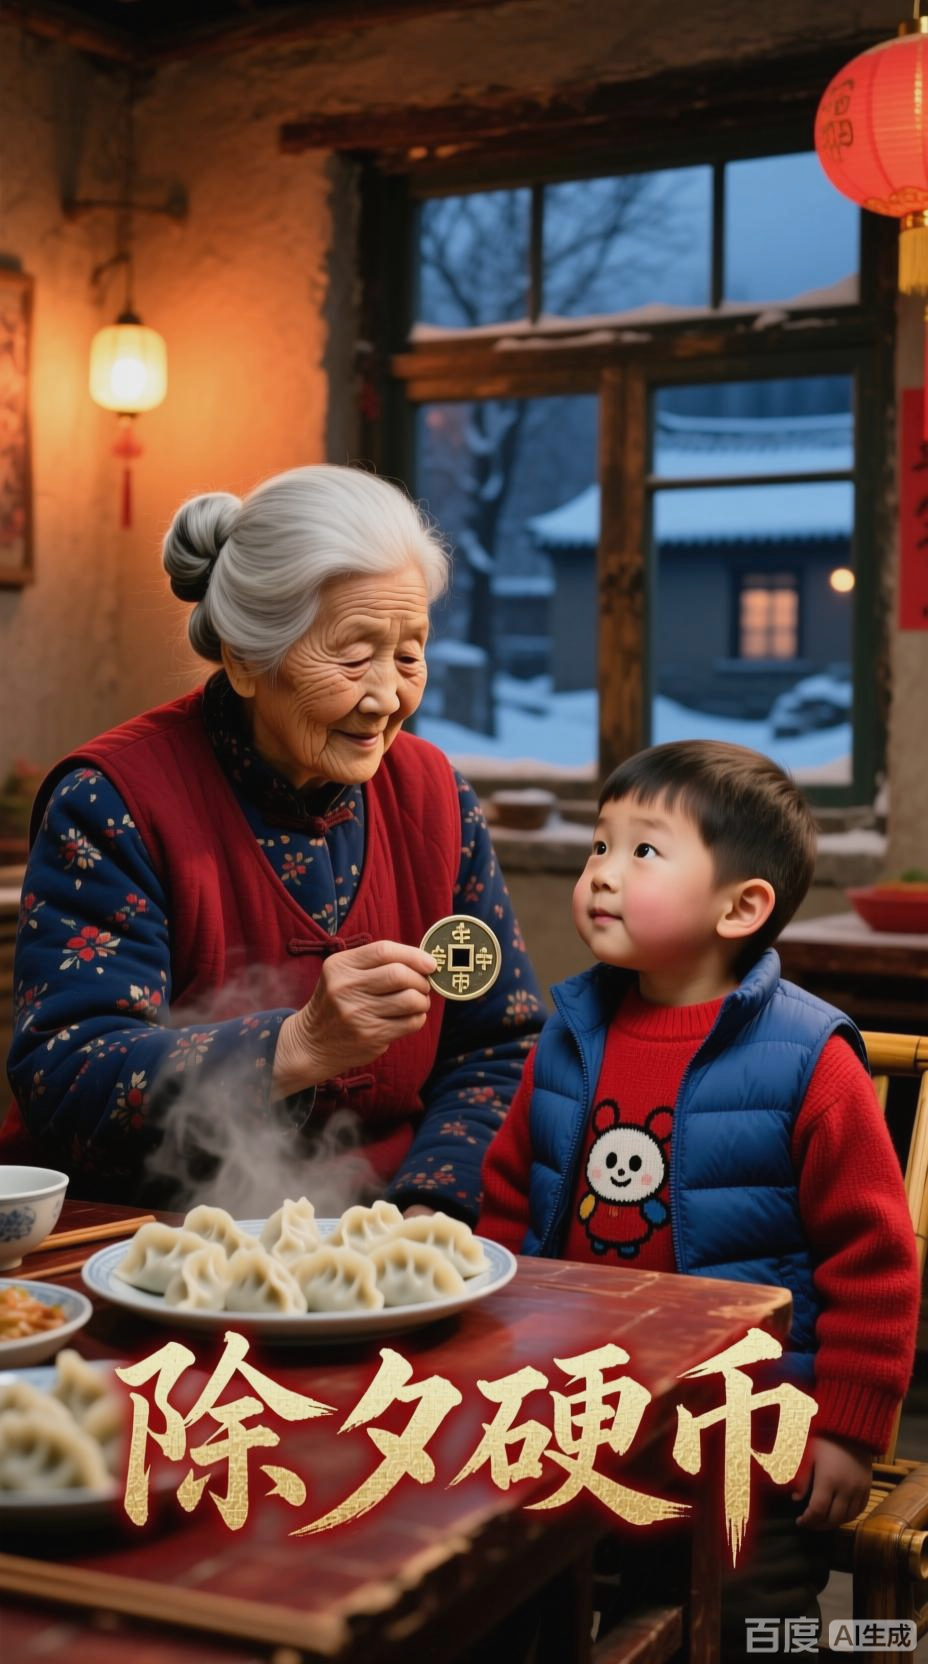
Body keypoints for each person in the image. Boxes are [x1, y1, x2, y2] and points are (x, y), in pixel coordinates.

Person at [5, 464, 544, 1217]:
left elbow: (498, 1043)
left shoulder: (433, 795)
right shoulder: (112, 800)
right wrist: (295, 1048)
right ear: (245, 659)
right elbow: (66, 1073)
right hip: (153, 1242)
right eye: (354, 655)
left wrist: (432, 1207)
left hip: (388, 1237)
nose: (387, 695)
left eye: (410, 653)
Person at [479, 739, 920, 1653]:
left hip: (746, 1446)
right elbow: (509, 1207)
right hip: (583, 1423)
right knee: (519, 1604)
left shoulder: (809, 1061)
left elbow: (873, 1264)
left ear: (741, 906)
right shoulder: (567, 1035)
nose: (601, 872)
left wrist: (846, 1430)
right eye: (600, 844)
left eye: (643, 851)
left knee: (753, 1628)